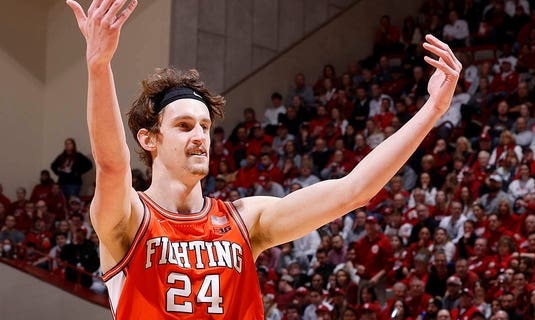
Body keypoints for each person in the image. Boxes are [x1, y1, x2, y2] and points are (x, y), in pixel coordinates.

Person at [67, 0, 461, 318]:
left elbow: (352, 191)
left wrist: (432, 111)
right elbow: (112, 165)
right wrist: (99, 66)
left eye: (205, 126)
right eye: (185, 125)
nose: (200, 136)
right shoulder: (129, 219)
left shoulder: (246, 219)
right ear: (149, 139)